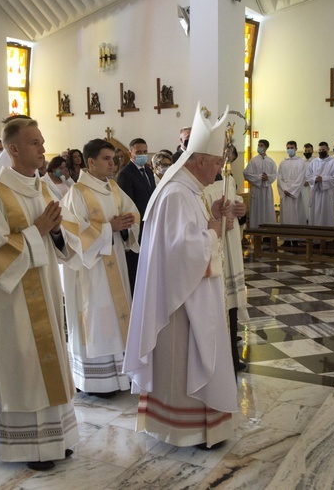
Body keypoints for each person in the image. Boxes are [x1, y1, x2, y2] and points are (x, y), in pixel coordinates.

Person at [123, 102, 238, 449]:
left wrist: (211, 219)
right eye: (217, 162)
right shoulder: (175, 193)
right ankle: (184, 428)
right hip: (181, 305)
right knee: (184, 362)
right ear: (200, 160)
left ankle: (203, 426)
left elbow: (187, 242)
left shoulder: (188, 190)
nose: (219, 169)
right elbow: (182, 255)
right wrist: (214, 230)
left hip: (193, 294)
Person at [0, 117, 82, 471]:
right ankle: (28, 447)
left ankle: (55, 438)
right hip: (14, 301)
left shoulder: (45, 189)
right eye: (34, 142)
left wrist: (56, 234)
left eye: (42, 141)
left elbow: (61, 246)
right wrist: (37, 230)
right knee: (24, 365)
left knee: (48, 364)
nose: (42, 147)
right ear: (13, 149)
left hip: (46, 293)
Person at [62, 138, 140, 396]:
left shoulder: (114, 188)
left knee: (115, 316)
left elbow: (133, 213)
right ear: (90, 162)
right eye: (106, 158)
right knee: (96, 317)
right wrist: (110, 228)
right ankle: (96, 382)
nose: (113, 163)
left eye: (114, 158)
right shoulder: (77, 192)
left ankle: (120, 376)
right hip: (91, 270)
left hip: (115, 260)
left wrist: (129, 225)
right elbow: (72, 232)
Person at [204, 144, 249, 373]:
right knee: (215, 305)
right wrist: (216, 220)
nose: (221, 161)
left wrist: (241, 214)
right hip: (212, 250)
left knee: (229, 305)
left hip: (229, 249)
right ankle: (217, 362)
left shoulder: (228, 180)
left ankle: (232, 357)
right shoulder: (197, 186)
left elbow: (236, 209)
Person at [117, 137, 155, 294]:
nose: (143, 155)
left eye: (145, 152)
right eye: (138, 152)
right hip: (136, 228)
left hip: (149, 225)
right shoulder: (125, 174)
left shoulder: (148, 171)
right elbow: (126, 205)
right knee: (136, 268)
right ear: (130, 153)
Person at [277, 140, 307, 243]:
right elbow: (279, 178)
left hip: (295, 194)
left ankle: (295, 240)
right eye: (288, 148)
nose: (289, 149)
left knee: (296, 215)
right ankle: (286, 240)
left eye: (292, 148)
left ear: (296, 149)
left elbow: (301, 178)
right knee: (285, 217)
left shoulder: (300, 162)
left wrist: (291, 190)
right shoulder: (283, 162)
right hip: (285, 194)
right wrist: (284, 189)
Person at [243, 139, 277, 229]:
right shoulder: (253, 161)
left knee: (267, 211)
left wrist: (268, 177)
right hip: (256, 191)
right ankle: (256, 234)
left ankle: (268, 236)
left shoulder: (271, 161)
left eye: (261, 145)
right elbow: (246, 174)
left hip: (266, 190)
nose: (259, 147)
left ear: (266, 147)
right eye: (258, 145)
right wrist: (259, 177)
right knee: (256, 212)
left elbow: (274, 174)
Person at [305, 142, 334, 228]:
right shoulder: (314, 162)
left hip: (327, 193)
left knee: (327, 214)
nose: (321, 151)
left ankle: (327, 239)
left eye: (323, 150)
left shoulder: (333, 162)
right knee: (315, 213)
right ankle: (315, 239)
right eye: (320, 150)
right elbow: (308, 176)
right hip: (315, 193)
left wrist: (323, 179)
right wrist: (315, 179)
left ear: (328, 149)